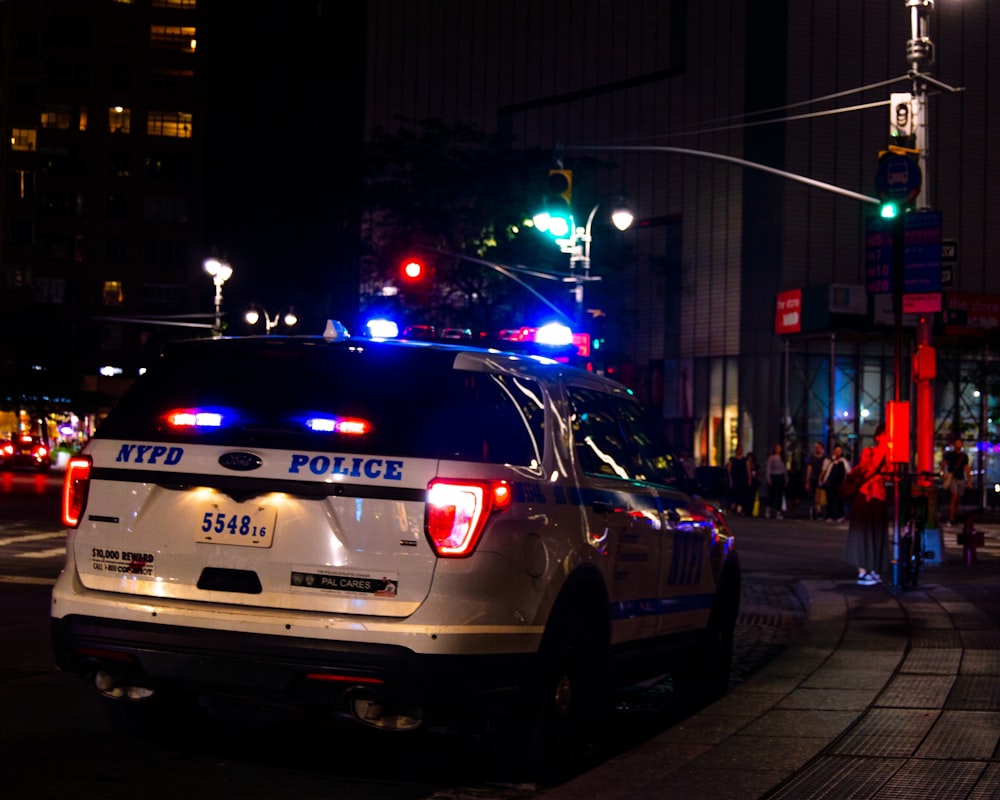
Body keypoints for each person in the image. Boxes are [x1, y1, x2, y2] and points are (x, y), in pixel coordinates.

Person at [844, 423, 891, 586]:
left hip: (878, 498)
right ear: (878, 437)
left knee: (876, 534)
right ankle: (863, 571)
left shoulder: (889, 455)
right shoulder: (869, 452)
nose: (888, 438)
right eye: (885, 434)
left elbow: (890, 476)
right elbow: (868, 471)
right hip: (865, 496)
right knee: (863, 534)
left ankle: (873, 569)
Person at [941, 437, 970, 527]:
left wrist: (969, 480)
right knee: (954, 497)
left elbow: (966, 468)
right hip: (953, 478)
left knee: (958, 498)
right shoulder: (950, 455)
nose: (958, 445)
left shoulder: (964, 456)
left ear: (962, 445)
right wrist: (943, 473)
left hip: (961, 478)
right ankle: (951, 518)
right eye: (956, 443)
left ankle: (954, 516)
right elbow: (943, 464)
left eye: (959, 443)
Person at [820, 443, 851, 522]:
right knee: (830, 499)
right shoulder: (829, 460)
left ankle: (840, 515)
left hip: (840, 484)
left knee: (839, 500)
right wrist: (821, 480)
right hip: (830, 483)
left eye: (839, 451)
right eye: (836, 450)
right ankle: (830, 515)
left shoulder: (844, 461)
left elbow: (849, 472)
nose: (838, 452)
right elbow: (824, 471)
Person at [805, 441, 831, 520]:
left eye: (819, 447)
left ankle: (819, 512)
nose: (817, 449)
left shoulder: (825, 458)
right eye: (816, 447)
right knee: (813, 496)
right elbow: (809, 469)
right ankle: (814, 512)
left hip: (822, 480)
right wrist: (807, 481)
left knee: (820, 496)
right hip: (813, 479)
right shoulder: (812, 458)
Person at [765, 443, 788, 520]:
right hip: (773, 476)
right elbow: (768, 468)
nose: (778, 449)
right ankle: (768, 509)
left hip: (781, 477)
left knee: (780, 495)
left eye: (779, 448)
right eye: (777, 448)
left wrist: (786, 478)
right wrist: (768, 478)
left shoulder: (782, 458)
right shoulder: (771, 458)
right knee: (772, 494)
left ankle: (778, 512)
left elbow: (784, 469)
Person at [726, 445, 750, 515]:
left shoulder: (745, 460)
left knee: (741, 494)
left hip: (742, 479)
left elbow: (748, 470)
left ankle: (739, 509)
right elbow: (728, 470)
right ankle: (733, 507)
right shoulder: (732, 460)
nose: (740, 451)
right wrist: (729, 478)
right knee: (734, 493)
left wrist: (749, 479)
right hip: (735, 479)